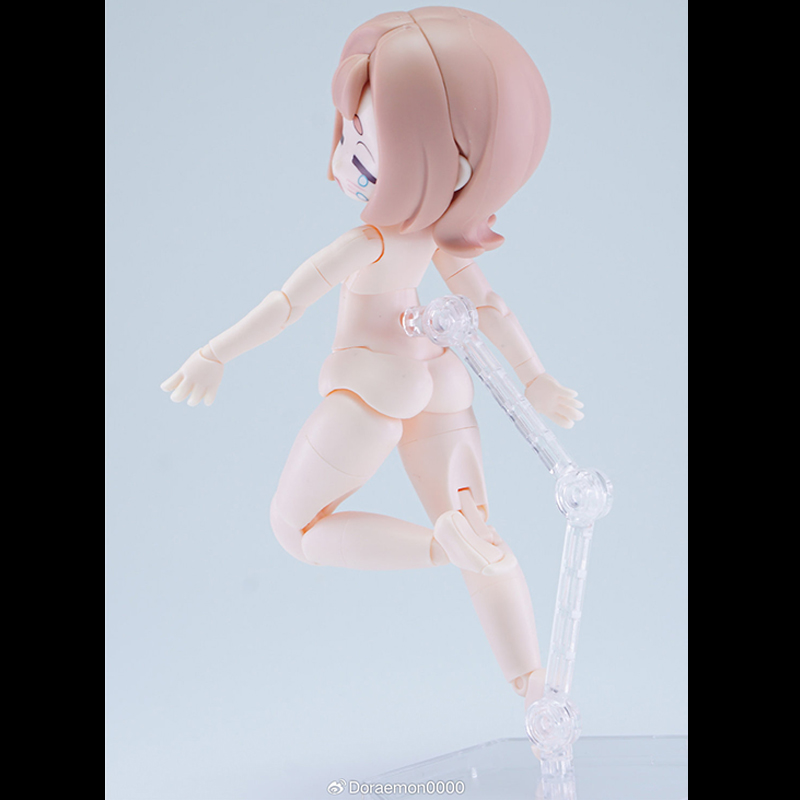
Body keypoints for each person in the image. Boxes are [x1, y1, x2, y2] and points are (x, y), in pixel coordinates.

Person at [161, 7, 584, 711]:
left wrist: (214, 353)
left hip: (373, 384)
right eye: (351, 134)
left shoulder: (372, 242)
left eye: (365, 144)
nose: (346, 155)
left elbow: (286, 303)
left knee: (297, 528)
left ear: (452, 168)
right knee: (485, 536)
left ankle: (436, 548)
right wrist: (535, 378)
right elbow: (490, 307)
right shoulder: (439, 243)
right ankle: (532, 683)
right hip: (440, 378)